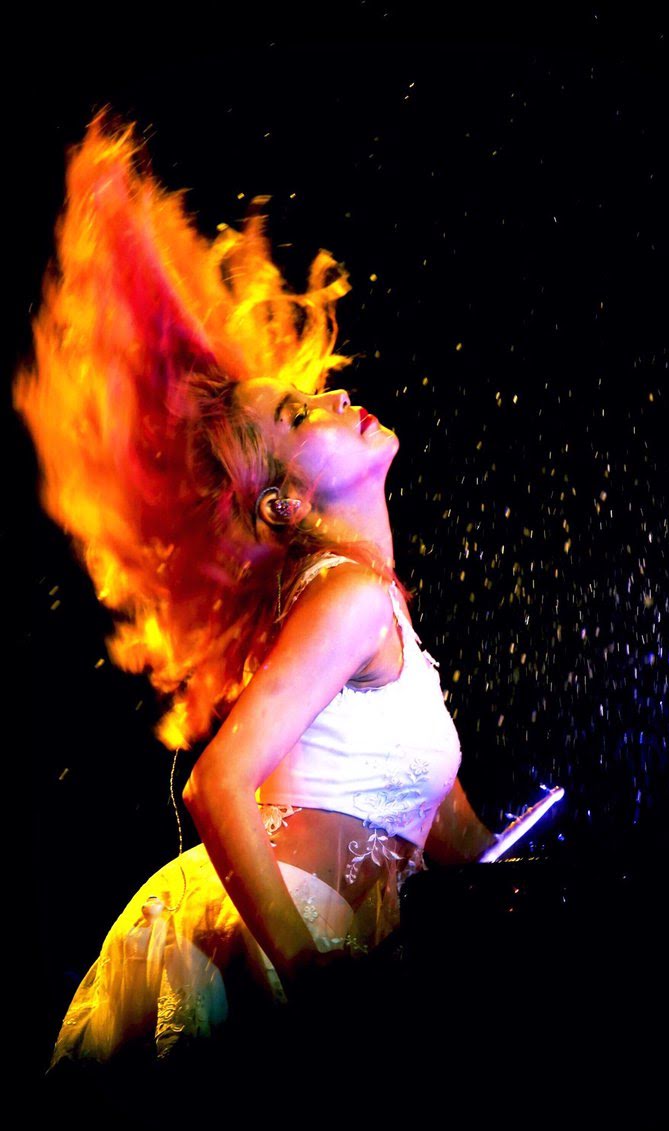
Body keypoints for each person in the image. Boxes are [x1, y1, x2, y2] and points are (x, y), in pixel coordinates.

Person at [14, 108, 498, 1076]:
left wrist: (516, 880)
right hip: (273, 941)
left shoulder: (373, 603)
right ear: (285, 503)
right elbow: (215, 783)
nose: (336, 395)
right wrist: (309, 971)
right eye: (301, 413)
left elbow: (435, 811)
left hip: (323, 938)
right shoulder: (348, 599)